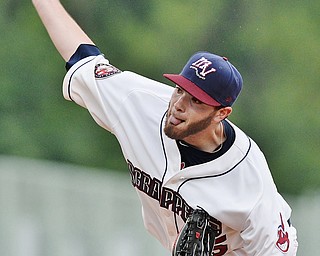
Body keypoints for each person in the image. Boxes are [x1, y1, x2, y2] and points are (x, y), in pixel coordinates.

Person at [32, 0, 298, 255]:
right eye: (180, 90)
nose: (180, 105)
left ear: (222, 113)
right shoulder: (138, 102)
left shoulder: (249, 178)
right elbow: (83, 58)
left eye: (196, 100)